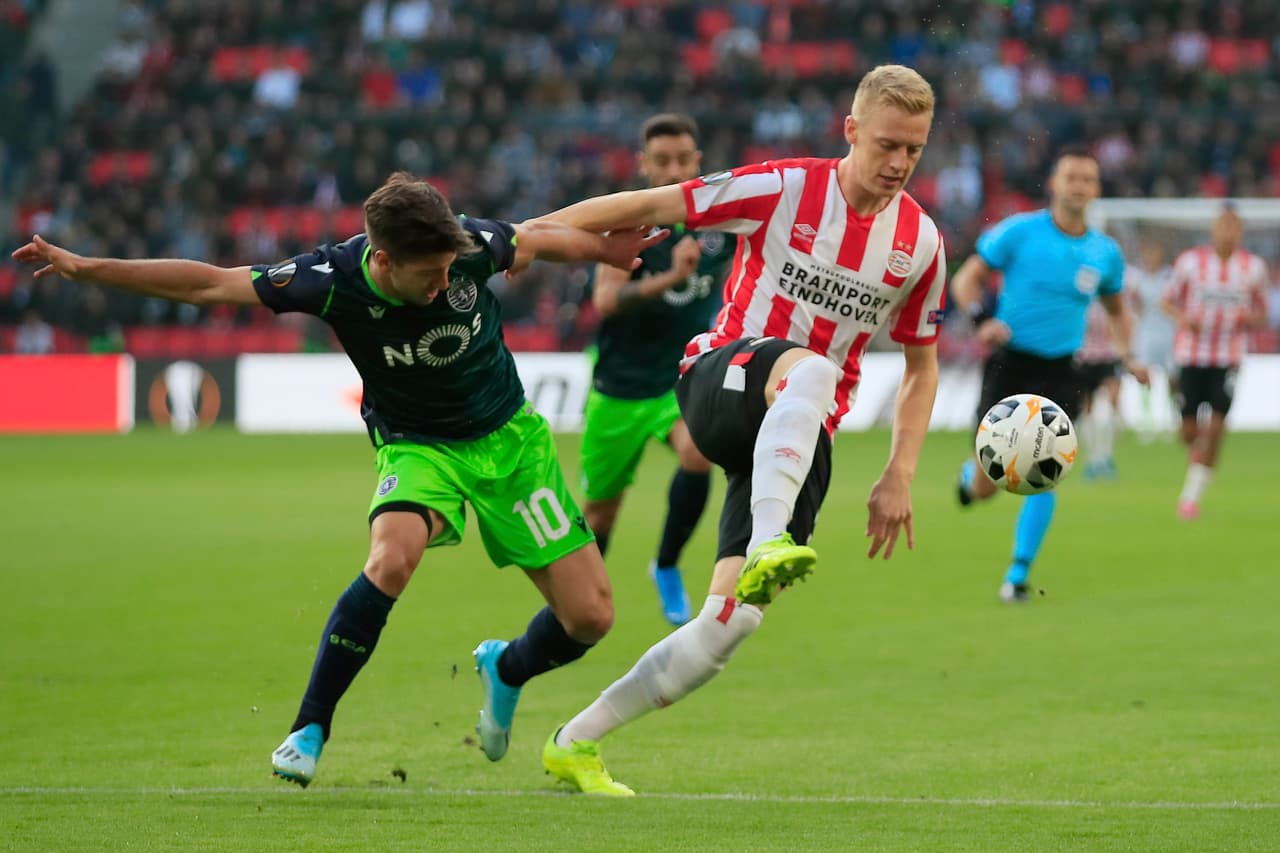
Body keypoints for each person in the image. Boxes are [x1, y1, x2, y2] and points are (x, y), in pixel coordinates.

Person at [11, 172, 666, 787]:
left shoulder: (462, 245)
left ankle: (507, 666)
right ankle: (309, 726)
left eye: (448, 270)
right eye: (429, 275)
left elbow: (535, 239)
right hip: (418, 445)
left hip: (510, 440)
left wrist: (604, 252)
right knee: (392, 557)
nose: (444, 284)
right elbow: (208, 284)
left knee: (590, 617)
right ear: (383, 261)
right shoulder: (331, 279)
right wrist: (85, 266)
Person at [532, 64, 948, 795]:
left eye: (913, 150)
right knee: (812, 369)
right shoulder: (784, 187)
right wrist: (526, 235)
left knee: (731, 622)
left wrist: (900, 472)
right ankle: (770, 540)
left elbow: (921, 366)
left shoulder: (921, 244)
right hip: (721, 379)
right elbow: (652, 201)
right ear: (851, 131)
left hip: (798, 434)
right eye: (887, 144)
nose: (898, 164)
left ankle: (575, 741)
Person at [951, 147, 1149, 603]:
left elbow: (1119, 311)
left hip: (1062, 372)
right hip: (1008, 362)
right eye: (1071, 177)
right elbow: (967, 279)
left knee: (1044, 470)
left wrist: (1129, 355)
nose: (1079, 186)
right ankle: (970, 477)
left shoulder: (1104, 252)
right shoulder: (1019, 232)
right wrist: (982, 320)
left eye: (1087, 179)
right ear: (1055, 184)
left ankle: (1017, 574)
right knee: (988, 486)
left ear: (1096, 190)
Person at [582, 112, 737, 626]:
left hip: (679, 378)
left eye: (683, 160)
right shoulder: (627, 219)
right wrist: (668, 277)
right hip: (620, 388)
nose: (673, 170)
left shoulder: (720, 223)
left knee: (698, 452)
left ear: (698, 162)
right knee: (601, 513)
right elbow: (606, 299)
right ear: (644, 165)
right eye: (662, 161)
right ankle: (579, 605)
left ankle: (666, 565)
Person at [1162, 205, 1269, 520]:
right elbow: (1166, 300)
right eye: (1223, 226)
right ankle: (1197, 452)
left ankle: (1190, 498)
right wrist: (1184, 318)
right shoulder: (1190, 263)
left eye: (1234, 228)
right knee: (1189, 432)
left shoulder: (1253, 268)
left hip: (1228, 358)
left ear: (1240, 232)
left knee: (1217, 428)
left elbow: (1263, 311)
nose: (1227, 233)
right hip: (1191, 355)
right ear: (1214, 229)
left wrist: (1250, 318)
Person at [1126, 241, 1177, 441]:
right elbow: (1134, 305)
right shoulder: (1139, 279)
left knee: (1172, 379)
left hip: (1168, 332)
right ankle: (1147, 423)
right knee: (1144, 376)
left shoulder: (1169, 276)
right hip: (1146, 333)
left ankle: (1172, 420)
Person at [1077, 300, 1124, 479]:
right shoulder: (1082, 295)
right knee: (1086, 408)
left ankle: (1106, 455)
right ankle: (1093, 458)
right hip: (1084, 357)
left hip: (1109, 356)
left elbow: (1121, 319)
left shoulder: (1110, 294)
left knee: (1114, 401)